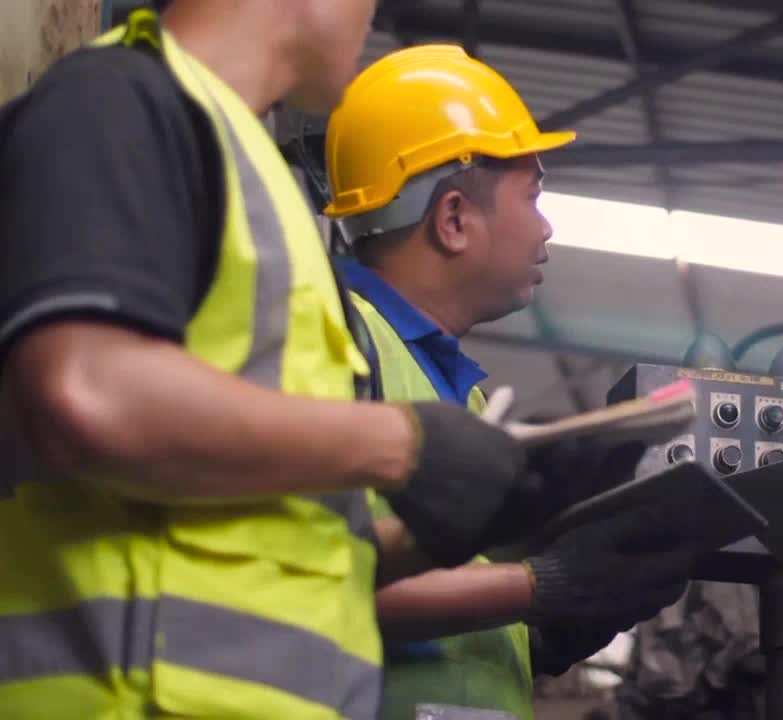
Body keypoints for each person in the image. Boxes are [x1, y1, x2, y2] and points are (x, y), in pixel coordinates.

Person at [0, 4, 620, 718]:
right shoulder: (120, 100)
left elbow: (312, 547)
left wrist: (474, 523)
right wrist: (407, 447)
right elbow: (85, 392)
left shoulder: (269, 208)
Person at [323, 45, 698, 720]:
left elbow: (457, 603)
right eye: (533, 195)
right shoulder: (340, 345)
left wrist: (557, 625)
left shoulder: (463, 399)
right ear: (455, 219)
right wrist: (542, 586)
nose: (547, 226)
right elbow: (315, 578)